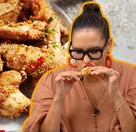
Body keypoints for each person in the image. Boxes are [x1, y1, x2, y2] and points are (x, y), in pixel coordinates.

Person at [22, 2, 136, 132]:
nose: (86, 59)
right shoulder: (51, 80)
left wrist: (116, 94)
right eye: (78, 52)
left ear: (108, 45)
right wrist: (59, 98)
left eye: (94, 52)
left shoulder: (131, 76)